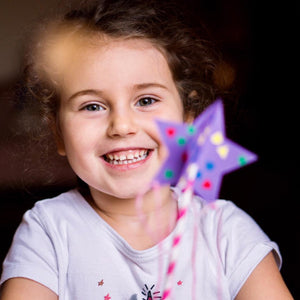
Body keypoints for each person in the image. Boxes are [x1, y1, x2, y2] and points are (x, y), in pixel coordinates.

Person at [0, 0, 294, 299]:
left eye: (146, 100)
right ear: (59, 134)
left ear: (188, 120)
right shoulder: (48, 230)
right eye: (92, 105)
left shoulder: (226, 232)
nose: (122, 126)